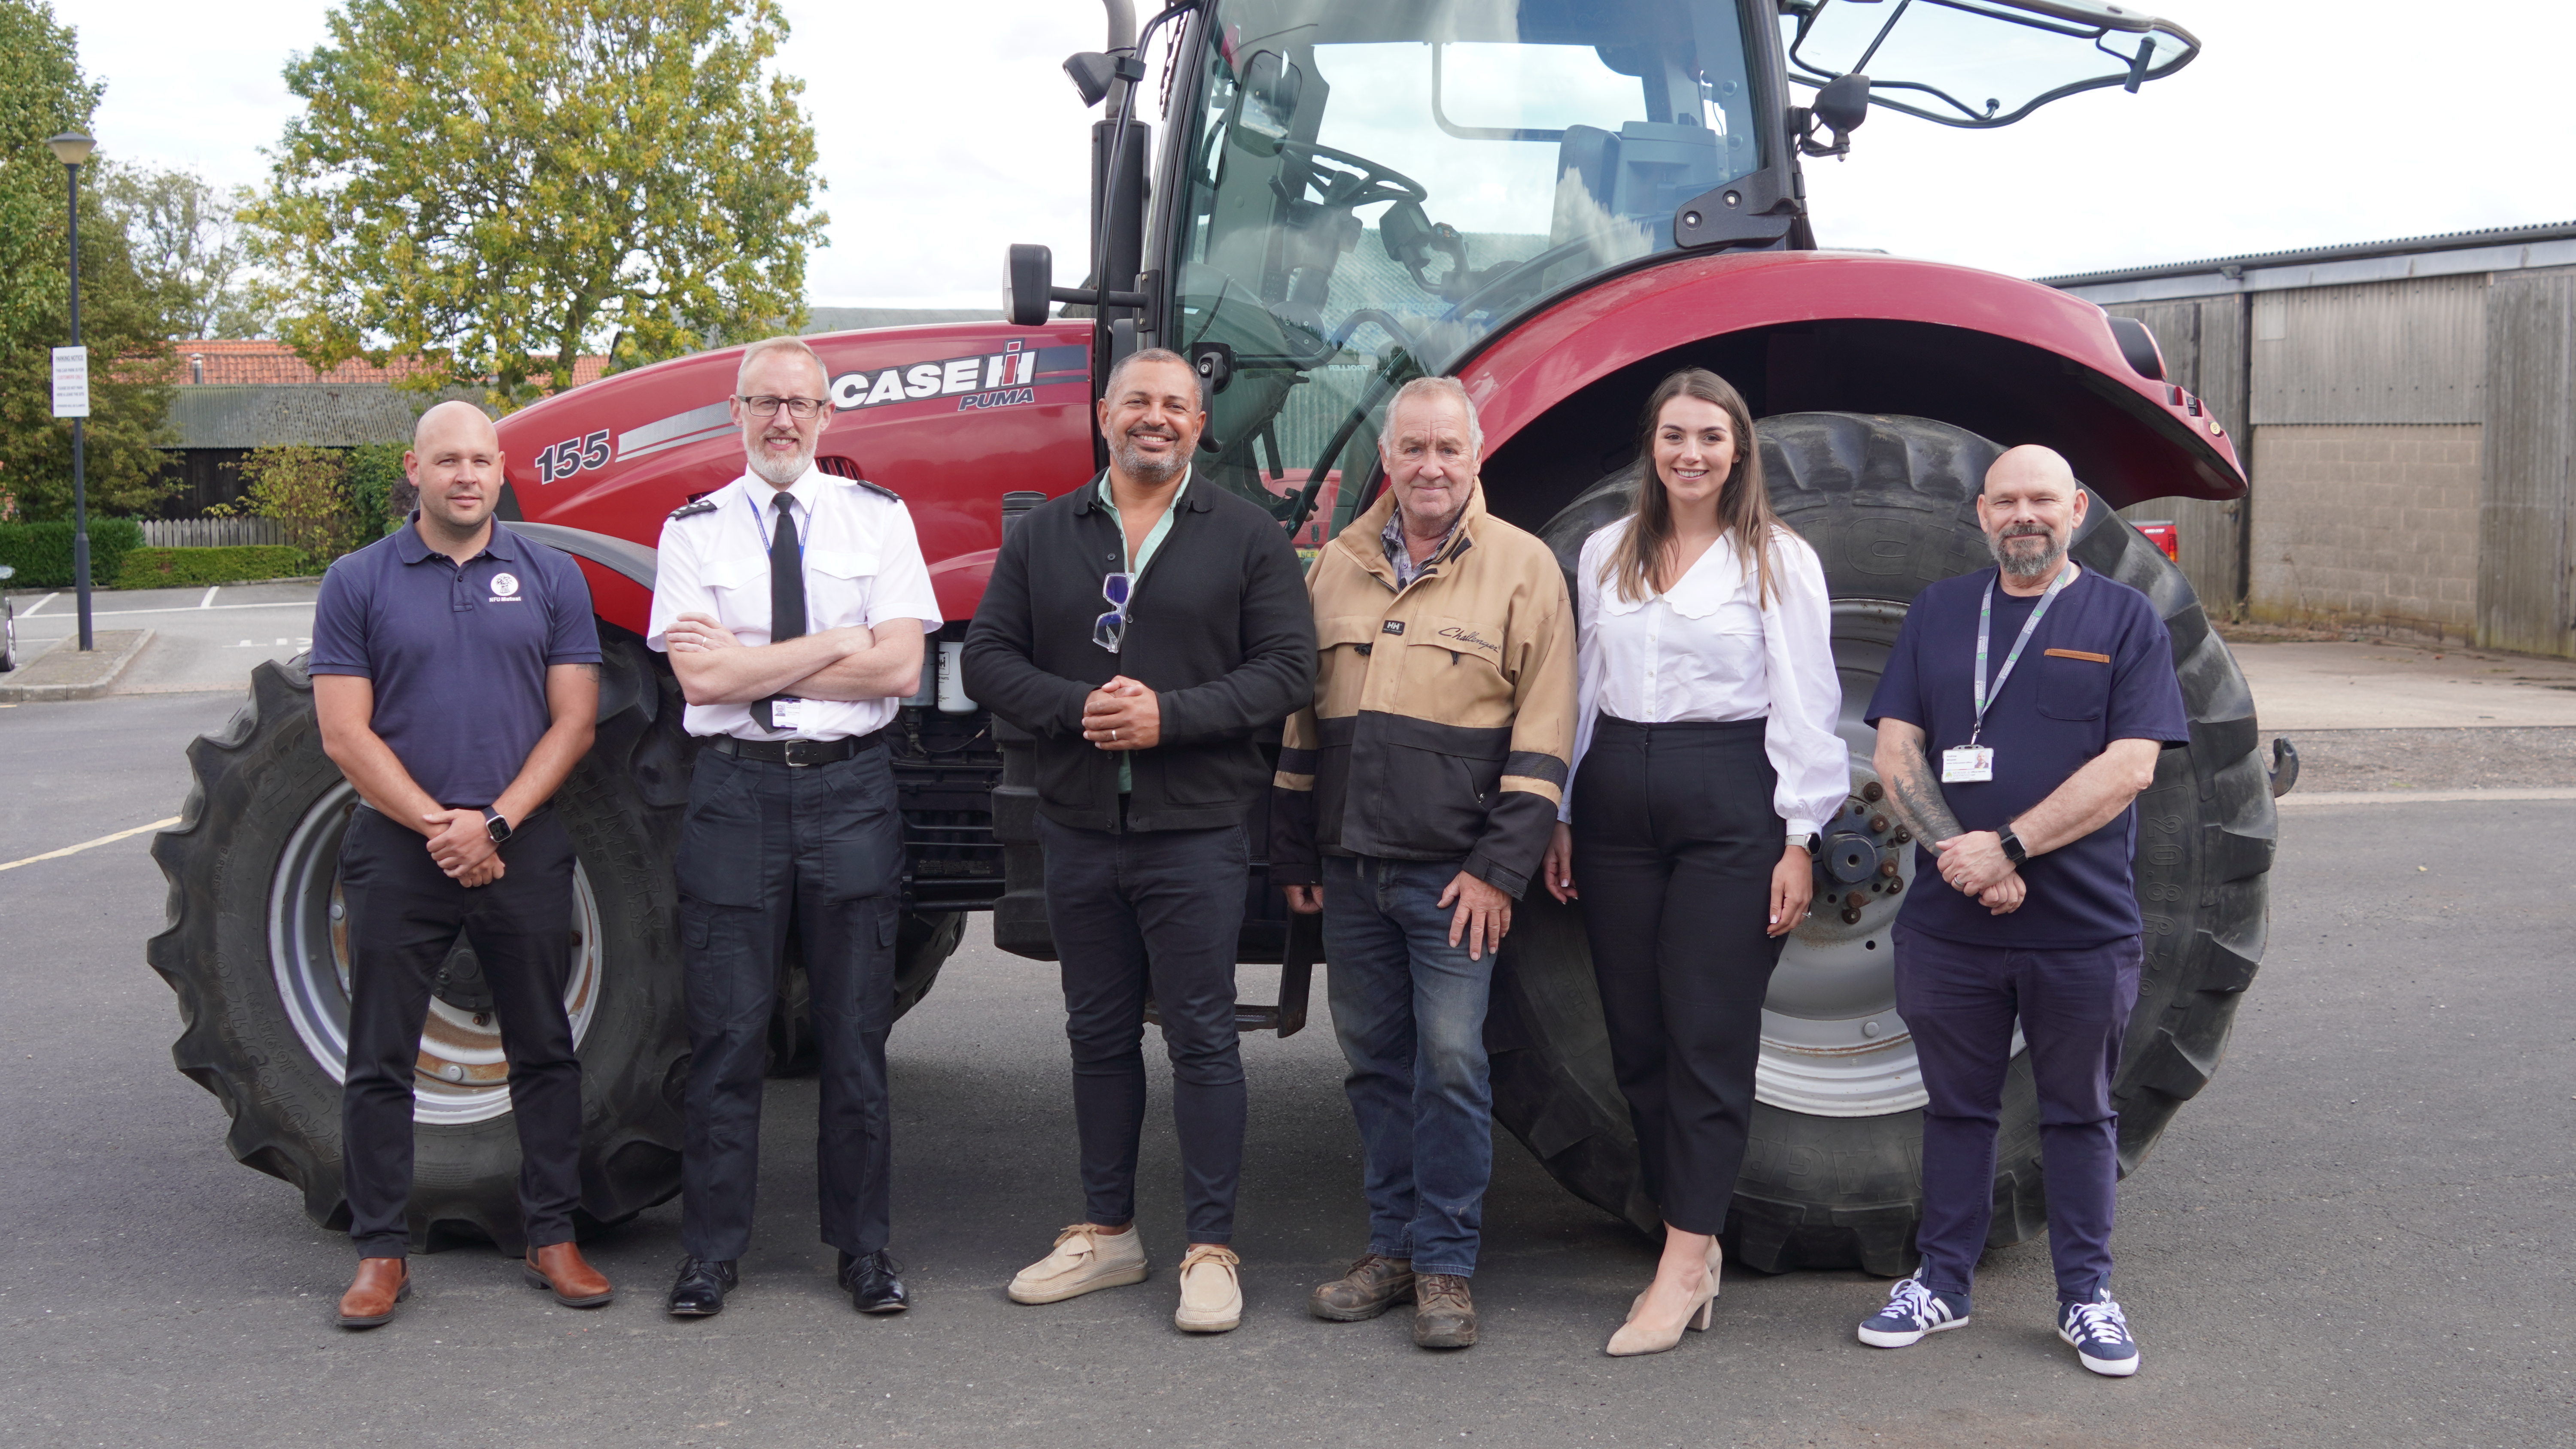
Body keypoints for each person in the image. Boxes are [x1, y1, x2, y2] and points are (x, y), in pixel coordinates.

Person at [960, 348, 1314, 1334]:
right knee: (1098, 1036)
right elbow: (988, 657)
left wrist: (1172, 717)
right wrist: (1081, 708)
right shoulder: (1044, 536)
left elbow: (1288, 669)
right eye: (1138, 403)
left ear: (1201, 426)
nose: (1155, 419)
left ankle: (1211, 1247)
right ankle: (1108, 1231)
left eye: (1176, 406)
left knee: (1202, 1038)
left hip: (1195, 832)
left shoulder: (1248, 536)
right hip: (1079, 828)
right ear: (1105, 418)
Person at [1857, 444, 2190, 1377]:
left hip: (2080, 930)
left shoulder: (2126, 619)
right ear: (1981, 513)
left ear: (2076, 507)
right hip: (1951, 929)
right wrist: (1965, 862)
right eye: (2006, 501)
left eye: (2042, 498)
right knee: (1956, 1109)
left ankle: (2087, 1296)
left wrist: (2009, 847)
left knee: (2080, 1114)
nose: (2024, 515)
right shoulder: (1938, 613)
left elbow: (2132, 767)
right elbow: (1895, 752)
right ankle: (1944, 1282)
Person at [1537, 368, 1845, 1357]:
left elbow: (1808, 701)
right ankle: (1691, 1233)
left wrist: (1799, 836)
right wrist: (1566, 811)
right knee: (1638, 1035)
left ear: (1738, 449)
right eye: (1675, 436)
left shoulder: (1777, 559)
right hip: (1618, 793)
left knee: (1707, 1033)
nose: (1691, 454)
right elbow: (1584, 687)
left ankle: (1681, 1261)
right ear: (1653, 446)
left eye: (1711, 436)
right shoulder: (1606, 551)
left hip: (1728, 800)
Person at [1274, 375, 1576, 1351]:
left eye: (1449, 449)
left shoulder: (1524, 568)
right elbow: (1300, 725)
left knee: (1451, 1067)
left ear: (1476, 455)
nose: (1432, 467)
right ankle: (1391, 1249)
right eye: (1415, 449)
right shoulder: (1335, 567)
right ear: (1390, 460)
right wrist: (1298, 851)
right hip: (1352, 871)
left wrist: (1498, 870)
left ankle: (1446, 1263)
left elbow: (1544, 735)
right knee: (1374, 1066)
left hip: (1454, 882)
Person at [646, 335, 942, 1319]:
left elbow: (899, 670)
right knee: (727, 1036)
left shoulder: (880, 519)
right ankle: (710, 1253)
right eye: (764, 401)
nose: (782, 418)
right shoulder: (692, 531)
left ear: (827, 418)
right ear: (736, 412)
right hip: (734, 796)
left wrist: (757, 661)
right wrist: (833, 645)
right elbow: (702, 680)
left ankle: (864, 1249)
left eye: (799, 404)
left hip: (850, 791)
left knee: (856, 1037)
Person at [311, 400, 608, 1328]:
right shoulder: (356, 580)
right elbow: (342, 731)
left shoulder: (551, 575)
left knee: (545, 1048)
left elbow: (576, 720)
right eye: (448, 461)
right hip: (400, 849)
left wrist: (497, 822)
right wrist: (442, 823)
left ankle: (552, 1233)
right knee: (380, 1055)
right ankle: (380, 1251)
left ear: (502, 465)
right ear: (415, 469)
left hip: (518, 844)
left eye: (481, 459)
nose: (467, 475)